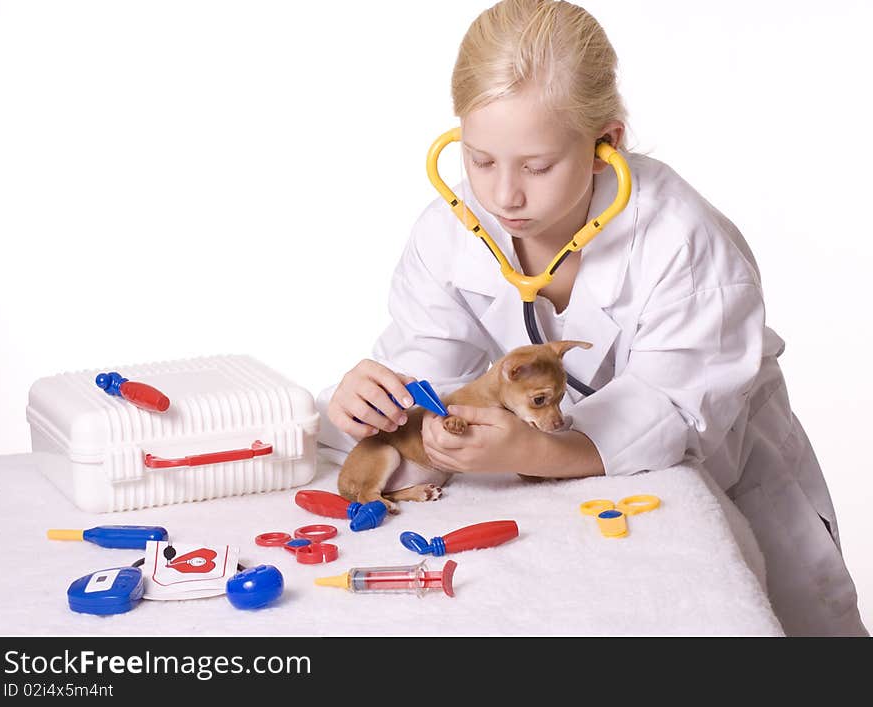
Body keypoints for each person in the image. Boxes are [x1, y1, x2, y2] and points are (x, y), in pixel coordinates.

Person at [316, 0, 867, 636]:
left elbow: (674, 417)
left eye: (538, 165)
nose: (504, 196)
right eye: (480, 159)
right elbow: (429, 370)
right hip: (562, 526)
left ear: (607, 142)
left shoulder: (685, 242)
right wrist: (378, 399)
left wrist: (530, 447)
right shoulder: (449, 231)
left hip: (725, 490)